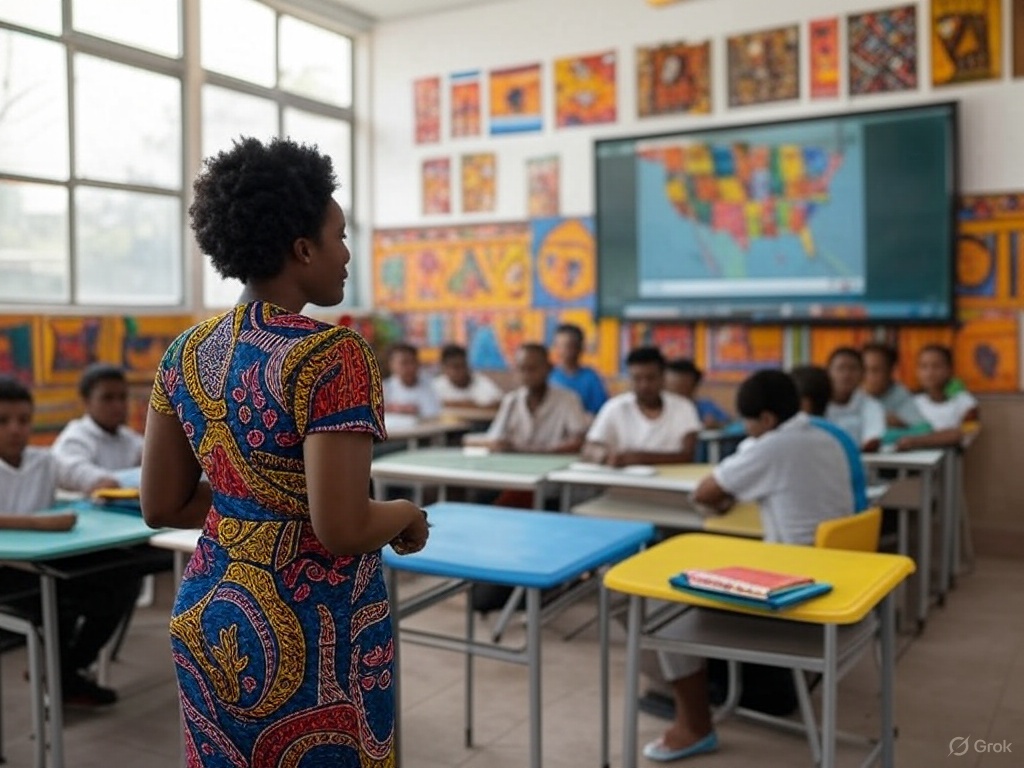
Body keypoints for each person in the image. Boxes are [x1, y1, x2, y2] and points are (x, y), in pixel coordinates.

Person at [139, 137, 429, 767]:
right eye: (340, 236)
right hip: (313, 633)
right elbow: (345, 527)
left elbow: (161, 505)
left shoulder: (184, 353)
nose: (348, 254)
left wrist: (254, 514)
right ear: (303, 249)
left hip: (210, 618)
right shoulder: (332, 356)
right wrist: (405, 513)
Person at [642, 370, 864, 762]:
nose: (746, 428)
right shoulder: (826, 438)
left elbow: (705, 492)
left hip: (795, 596)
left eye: (748, 421)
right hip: (844, 585)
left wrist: (729, 487)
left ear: (765, 419)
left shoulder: (772, 446)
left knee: (663, 601)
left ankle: (693, 725)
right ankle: (714, 690)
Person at [0, 375, 138, 707]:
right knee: (58, 608)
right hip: (8, 574)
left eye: (24, 420)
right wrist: (41, 523)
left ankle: (63, 673)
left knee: (121, 585)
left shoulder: (43, 460)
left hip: (43, 562)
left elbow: (83, 479)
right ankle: (63, 680)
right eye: (3, 421)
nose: (16, 429)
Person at [583, 347, 700, 466]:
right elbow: (590, 448)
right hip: (624, 481)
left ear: (663, 377)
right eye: (637, 379)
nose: (644, 385)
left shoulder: (684, 407)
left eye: (651, 378)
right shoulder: (615, 408)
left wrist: (637, 458)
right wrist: (603, 455)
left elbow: (688, 455)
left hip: (672, 482)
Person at [50, 363, 143, 492]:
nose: (118, 406)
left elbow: (156, 463)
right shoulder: (74, 439)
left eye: (122, 397)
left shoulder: (130, 438)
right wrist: (114, 482)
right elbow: (77, 473)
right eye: (107, 398)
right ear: (86, 401)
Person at [484, 343, 589, 454]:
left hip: (555, 464)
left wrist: (533, 450)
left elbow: (579, 441)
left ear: (549, 368)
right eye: (521, 369)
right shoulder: (511, 400)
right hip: (516, 464)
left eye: (532, 369)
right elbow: (494, 439)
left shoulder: (568, 400)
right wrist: (500, 444)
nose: (526, 375)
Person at [898, 344, 980, 450]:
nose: (929, 373)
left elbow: (963, 433)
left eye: (936, 366)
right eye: (923, 366)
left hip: (948, 464)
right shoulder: (914, 403)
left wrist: (916, 441)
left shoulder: (967, 404)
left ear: (950, 370)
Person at [825, 347, 885, 452]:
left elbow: (872, 441)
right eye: (840, 368)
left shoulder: (872, 406)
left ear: (862, 374)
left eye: (853, 369)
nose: (846, 375)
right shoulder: (818, 403)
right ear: (828, 372)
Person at [862, 341, 925, 427]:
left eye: (876, 370)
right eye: (864, 369)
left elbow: (921, 430)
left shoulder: (900, 395)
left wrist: (898, 424)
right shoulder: (851, 392)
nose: (868, 376)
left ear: (890, 371)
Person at [549, 323, 608, 415]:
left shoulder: (591, 378)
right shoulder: (549, 375)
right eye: (558, 345)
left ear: (579, 347)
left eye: (567, 346)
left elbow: (600, 410)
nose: (562, 350)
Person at [431, 343, 503, 408]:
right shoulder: (436, 386)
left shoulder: (481, 382)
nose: (460, 371)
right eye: (455, 367)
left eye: (463, 366)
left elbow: (498, 402)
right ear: (444, 368)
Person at [383, 342, 442, 419]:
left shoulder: (431, 385)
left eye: (413, 362)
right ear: (391, 365)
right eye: (404, 363)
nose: (410, 367)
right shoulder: (384, 388)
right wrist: (405, 409)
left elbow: (433, 413)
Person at [665, 358, 730, 428]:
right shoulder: (660, 411)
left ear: (694, 387)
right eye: (671, 390)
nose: (676, 394)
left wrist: (717, 424)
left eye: (684, 387)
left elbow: (729, 423)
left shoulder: (706, 407)